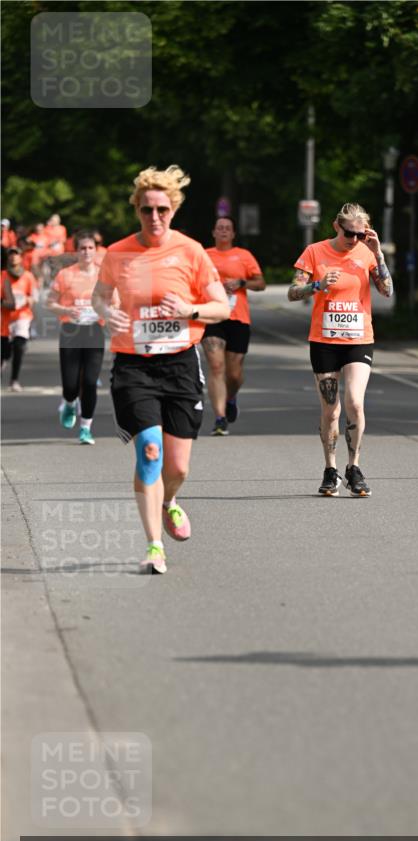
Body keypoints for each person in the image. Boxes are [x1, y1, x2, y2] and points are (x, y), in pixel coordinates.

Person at [92, 165, 229, 574]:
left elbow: (222, 307)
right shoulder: (117, 253)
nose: (155, 217)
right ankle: (154, 545)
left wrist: (191, 309)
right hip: (133, 365)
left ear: (174, 210)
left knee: (178, 466)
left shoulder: (191, 251)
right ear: (137, 209)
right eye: (147, 209)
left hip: (180, 364)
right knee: (149, 449)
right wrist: (106, 314)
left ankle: (169, 500)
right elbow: (100, 297)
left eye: (163, 210)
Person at [288, 202, 393, 496]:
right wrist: (318, 285)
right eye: (350, 233)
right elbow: (292, 292)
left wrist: (379, 254)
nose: (355, 239)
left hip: (359, 339)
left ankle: (354, 467)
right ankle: (330, 469)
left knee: (355, 403)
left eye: (361, 234)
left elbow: (387, 290)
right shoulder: (315, 251)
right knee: (331, 411)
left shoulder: (367, 252)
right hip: (324, 341)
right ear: (337, 226)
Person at [202, 216, 266, 435]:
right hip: (212, 316)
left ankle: (230, 398)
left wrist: (241, 283)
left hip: (238, 317)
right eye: (219, 228)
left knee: (235, 374)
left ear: (233, 234)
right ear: (213, 232)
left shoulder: (244, 255)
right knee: (216, 366)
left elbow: (261, 283)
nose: (223, 231)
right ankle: (220, 418)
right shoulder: (204, 256)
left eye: (227, 228)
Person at [47, 230, 105, 444]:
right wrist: (66, 310)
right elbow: (50, 303)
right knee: (71, 385)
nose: (87, 252)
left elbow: (115, 303)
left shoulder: (103, 274)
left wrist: (103, 312)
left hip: (94, 331)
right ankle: (70, 403)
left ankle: (86, 428)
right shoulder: (66, 274)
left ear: (95, 250)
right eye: (83, 248)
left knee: (90, 381)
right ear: (76, 251)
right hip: (70, 331)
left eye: (90, 248)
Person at [1, 246, 38, 390]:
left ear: (21, 257)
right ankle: (4, 358)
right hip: (4, 317)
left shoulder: (28, 276)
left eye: (16, 254)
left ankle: (14, 380)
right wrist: (6, 303)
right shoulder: (2, 275)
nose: (13, 257)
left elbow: (34, 295)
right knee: (5, 351)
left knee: (19, 346)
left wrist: (29, 300)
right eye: (11, 254)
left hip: (22, 315)